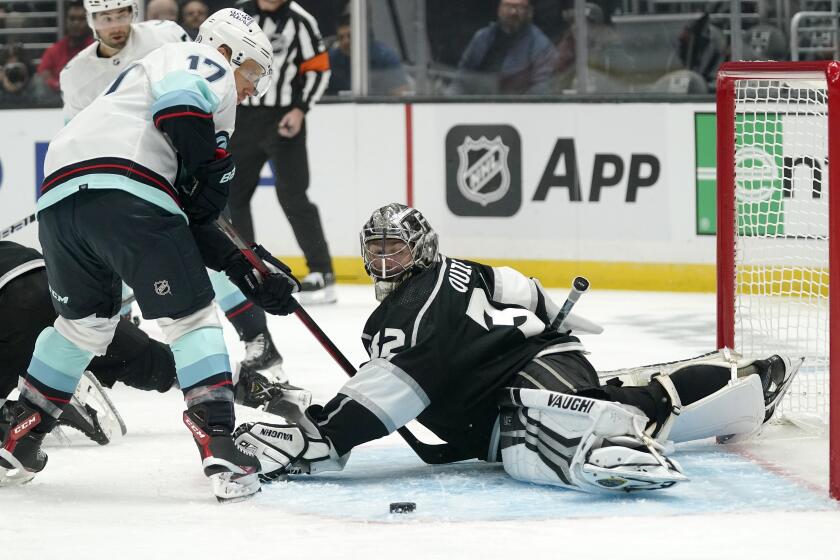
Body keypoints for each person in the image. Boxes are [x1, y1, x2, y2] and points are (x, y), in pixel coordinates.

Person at [234, 203, 803, 493]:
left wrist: (330, 434)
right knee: (581, 407)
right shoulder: (453, 273)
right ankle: (739, 383)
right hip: (529, 367)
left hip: (527, 372)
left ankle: (622, 430)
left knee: (561, 423)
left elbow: (402, 380)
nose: (385, 262)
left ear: (422, 250)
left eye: (396, 250)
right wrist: (560, 318)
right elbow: (517, 285)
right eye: (377, 249)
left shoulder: (409, 308)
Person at [0, 9, 292, 502]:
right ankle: (220, 440)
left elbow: (184, 218)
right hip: (128, 191)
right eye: (254, 74)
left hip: (60, 203)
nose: (253, 90)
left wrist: (244, 263)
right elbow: (180, 113)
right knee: (192, 319)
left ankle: (20, 433)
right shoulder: (203, 59)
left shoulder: (142, 80)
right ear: (231, 53)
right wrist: (215, 168)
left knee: (82, 327)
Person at [61, 0, 288, 387]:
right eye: (104, 17)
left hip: (182, 161)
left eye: (121, 14)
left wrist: (203, 166)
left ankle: (257, 339)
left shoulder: (166, 36)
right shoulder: (75, 73)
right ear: (90, 20)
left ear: (133, 13)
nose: (114, 24)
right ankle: (121, 337)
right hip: (134, 173)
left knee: (207, 258)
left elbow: (200, 81)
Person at [0, 239, 310, 449]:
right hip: (57, 287)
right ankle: (268, 394)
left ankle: (43, 404)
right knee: (156, 362)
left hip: (15, 308)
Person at [229, 0, 336, 305]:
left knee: (293, 196)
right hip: (243, 116)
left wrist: (301, 109)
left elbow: (317, 69)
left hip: (285, 118)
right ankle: (247, 269)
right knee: (233, 196)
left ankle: (322, 272)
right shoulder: (239, 15)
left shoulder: (301, 20)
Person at [453, 0, 559, 95]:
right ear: (499, 10)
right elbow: (462, 79)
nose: (513, 12)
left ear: (529, 12)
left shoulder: (541, 46)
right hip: (475, 105)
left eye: (519, 7)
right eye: (508, 6)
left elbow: (542, 91)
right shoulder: (482, 37)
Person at [325, 13, 410, 96]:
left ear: (362, 36)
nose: (345, 41)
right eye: (341, 38)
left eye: (350, 36)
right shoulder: (331, 59)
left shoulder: (385, 57)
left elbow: (400, 95)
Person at [36, 1, 93, 93]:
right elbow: (43, 73)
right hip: (57, 100)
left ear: (90, 21)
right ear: (66, 21)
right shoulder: (55, 49)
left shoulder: (98, 48)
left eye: (81, 19)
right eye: (72, 19)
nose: (76, 23)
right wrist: (58, 85)